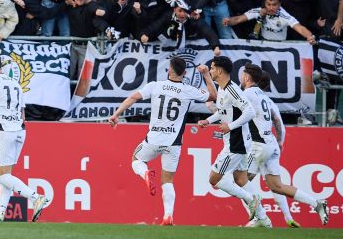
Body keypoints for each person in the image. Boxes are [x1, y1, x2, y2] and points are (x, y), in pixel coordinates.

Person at [108, 58, 216, 225]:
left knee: (136, 160)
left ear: (169, 70)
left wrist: (116, 114)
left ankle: (145, 173)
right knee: (168, 181)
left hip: (153, 139)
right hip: (173, 143)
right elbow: (213, 95)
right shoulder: (188, 90)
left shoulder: (155, 86)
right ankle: (168, 216)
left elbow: (133, 97)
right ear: (185, 73)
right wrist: (206, 75)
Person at [239, 64, 330, 227]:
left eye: (243, 74)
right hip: (271, 144)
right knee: (277, 186)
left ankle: (259, 217)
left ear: (247, 78)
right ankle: (316, 203)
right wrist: (280, 141)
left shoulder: (247, 94)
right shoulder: (265, 98)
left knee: (240, 180)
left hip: (257, 145)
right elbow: (276, 120)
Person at [0, 51, 49, 223]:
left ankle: (35, 198)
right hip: (20, 130)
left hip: (3, 131)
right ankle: (0, 213)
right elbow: (23, 113)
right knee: (7, 174)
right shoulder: (15, 82)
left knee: (1, 175)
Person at [196, 55, 261, 219]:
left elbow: (250, 112)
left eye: (211, 68)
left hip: (235, 143)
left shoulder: (232, 90)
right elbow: (223, 111)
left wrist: (230, 126)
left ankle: (249, 198)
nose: (210, 70)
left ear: (219, 70)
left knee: (214, 179)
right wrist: (208, 120)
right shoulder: (223, 89)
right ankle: (264, 219)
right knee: (241, 179)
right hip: (242, 141)